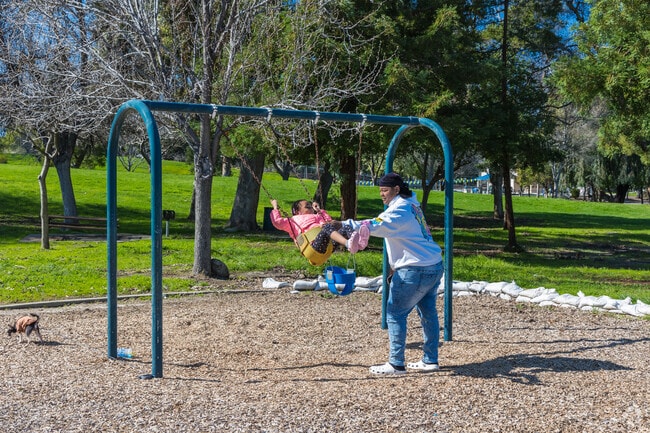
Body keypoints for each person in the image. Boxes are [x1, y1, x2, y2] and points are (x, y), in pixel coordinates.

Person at [344, 173, 443, 375]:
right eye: (380, 190)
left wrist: (345, 224)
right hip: (434, 264)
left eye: (385, 190)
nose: (382, 194)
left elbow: (377, 225)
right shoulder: (412, 205)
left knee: (395, 313)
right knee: (428, 313)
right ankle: (430, 359)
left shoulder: (401, 209)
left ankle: (396, 363)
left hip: (415, 268)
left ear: (396, 189)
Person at [269, 199, 369, 255]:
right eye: (307, 207)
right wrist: (275, 207)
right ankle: (348, 243)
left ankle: (359, 243)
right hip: (311, 247)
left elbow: (329, 222)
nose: (311, 208)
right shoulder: (292, 220)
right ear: (297, 211)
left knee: (344, 226)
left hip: (327, 245)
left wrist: (319, 210)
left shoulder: (317, 216)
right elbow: (277, 222)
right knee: (325, 228)